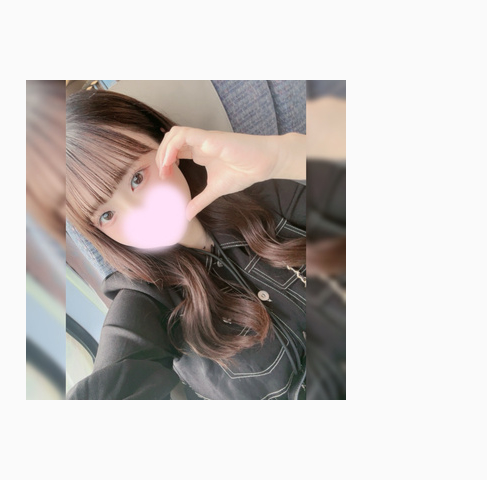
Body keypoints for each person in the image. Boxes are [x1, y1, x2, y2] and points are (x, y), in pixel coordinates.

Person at [66, 89, 308, 399]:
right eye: (107, 215)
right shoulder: (146, 301)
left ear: (166, 142)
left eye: (137, 178)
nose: (140, 215)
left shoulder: (261, 195)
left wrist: (282, 156)